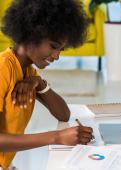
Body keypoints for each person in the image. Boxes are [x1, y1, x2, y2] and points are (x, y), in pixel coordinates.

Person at [0, 0, 93, 169]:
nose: (57, 56)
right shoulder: (3, 68)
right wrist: (56, 137)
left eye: (61, 50)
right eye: (53, 46)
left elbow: (63, 114)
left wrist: (40, 84)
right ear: (31, 35)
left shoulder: (27, 71)